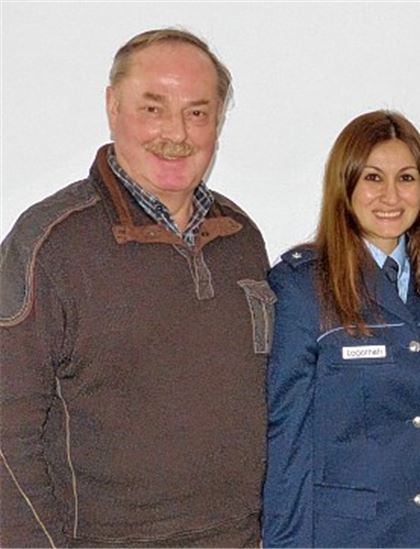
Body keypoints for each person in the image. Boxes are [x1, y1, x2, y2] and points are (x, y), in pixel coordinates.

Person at [0, 29, 269, 547]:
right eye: (153, 109)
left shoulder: (242, 238)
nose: (176, 133)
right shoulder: (49, 246)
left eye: (197, 112)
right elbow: (7, 433)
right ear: (112, 107)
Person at [261, 110, 420, 548]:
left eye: (407, 178)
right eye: (374, 178)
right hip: (350, 534)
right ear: (347, 186)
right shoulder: (302, 287)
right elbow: (287, 442)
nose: (391, 196)